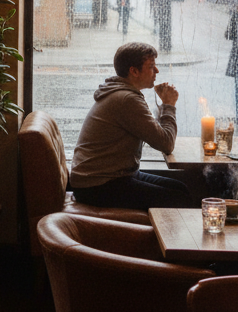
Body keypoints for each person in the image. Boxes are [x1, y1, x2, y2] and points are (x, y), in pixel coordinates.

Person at [70, 42, 191, 210]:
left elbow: (156, 133)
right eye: (151, 66)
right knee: (179, 198)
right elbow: (166, 144)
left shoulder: (122, 93)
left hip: (110, 177)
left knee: (180, 189)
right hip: (97, 185)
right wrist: (168, 105)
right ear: (134, 71)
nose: (156, 71)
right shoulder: (127, 99)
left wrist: (164, 106)